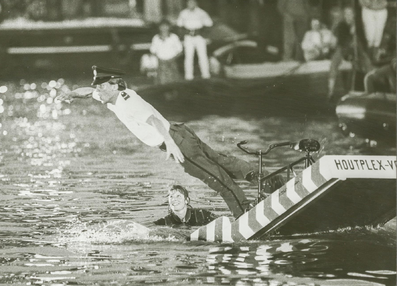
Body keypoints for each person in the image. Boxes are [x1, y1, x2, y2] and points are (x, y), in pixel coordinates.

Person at [56, 66, 284, 219]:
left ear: (114, 85)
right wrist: (71, 94)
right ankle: (268, 180)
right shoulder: (114, 96)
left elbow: (153, 119)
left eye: (101, 87)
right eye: (98, 87)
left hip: (175, 140)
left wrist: (171, 145)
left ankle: (245, 215)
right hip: (180, 131)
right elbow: (88, 92)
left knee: (216, 178)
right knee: (220, 161)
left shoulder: (127, 102)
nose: (98, 91)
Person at [327, 7, 373, 99]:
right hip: (343, 46)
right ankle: (330, 91)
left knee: (366, 62)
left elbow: (362, 40)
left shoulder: (358, 25)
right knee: (334, 65)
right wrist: (350, 33)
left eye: (350, 14)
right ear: (344, 16)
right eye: (346, 14)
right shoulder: (341, 25)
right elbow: (341, 41)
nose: (348, 16)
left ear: (353, 15)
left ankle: (372, 85)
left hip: (356, 45)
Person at [176, 0, 213, 80]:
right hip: (188, 37)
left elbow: (209, 24)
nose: (190, 4)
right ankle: (188, 76)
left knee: (202, 56)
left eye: (192, 2)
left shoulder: (202, 13)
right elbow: (179, 25)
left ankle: (206, 75)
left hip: (199, 36)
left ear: (196, 3)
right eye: (189, 3)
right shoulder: (183, 13)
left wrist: (205, 35)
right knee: (188, 56)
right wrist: (182, 36)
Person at [150, 19, 183, 85]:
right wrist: (160, 60)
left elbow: (180, 51)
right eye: (162, 26)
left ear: (169, 27)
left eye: (166, 26)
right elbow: (153, 51)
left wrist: (172, 59)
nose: (164, 28)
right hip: (161, 63)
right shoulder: (156, 38)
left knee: (174, 82)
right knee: (162, 81)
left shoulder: (174, 37)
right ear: (159, 27)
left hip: (172, 62)